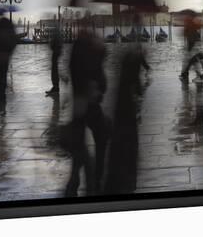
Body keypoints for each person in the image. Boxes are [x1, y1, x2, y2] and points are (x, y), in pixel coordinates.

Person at [64, 29, 110, 197]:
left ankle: (75, 182)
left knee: (80, 145)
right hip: (89, 107)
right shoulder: (91, 57)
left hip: (79, 106)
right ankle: (94, 180)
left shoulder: (77, 50)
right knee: (100, 138)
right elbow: (102, 83)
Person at [104, 43, 150, 194]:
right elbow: (135, 80)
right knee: (129, 137)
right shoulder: (135, 60)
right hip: (127, 107)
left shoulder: (129, 60)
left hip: (123, 105)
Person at [180, 15, 203, 81]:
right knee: (194, 60)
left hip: (193, 47)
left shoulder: (190, 27)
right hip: (194, 47)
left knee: (193, 61)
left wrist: (190, 48)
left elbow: (191, 39)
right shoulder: (192, 27)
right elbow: (192, 37)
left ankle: (198, 76)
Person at [45, 26, 63, 96]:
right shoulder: (58, 33)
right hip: (56, 51)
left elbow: (53, 43)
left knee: (54, 69)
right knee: (54, 69)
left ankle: (56, 87)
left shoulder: (56, 33)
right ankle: (56, 87)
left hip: (56, 52)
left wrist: (52, 46)